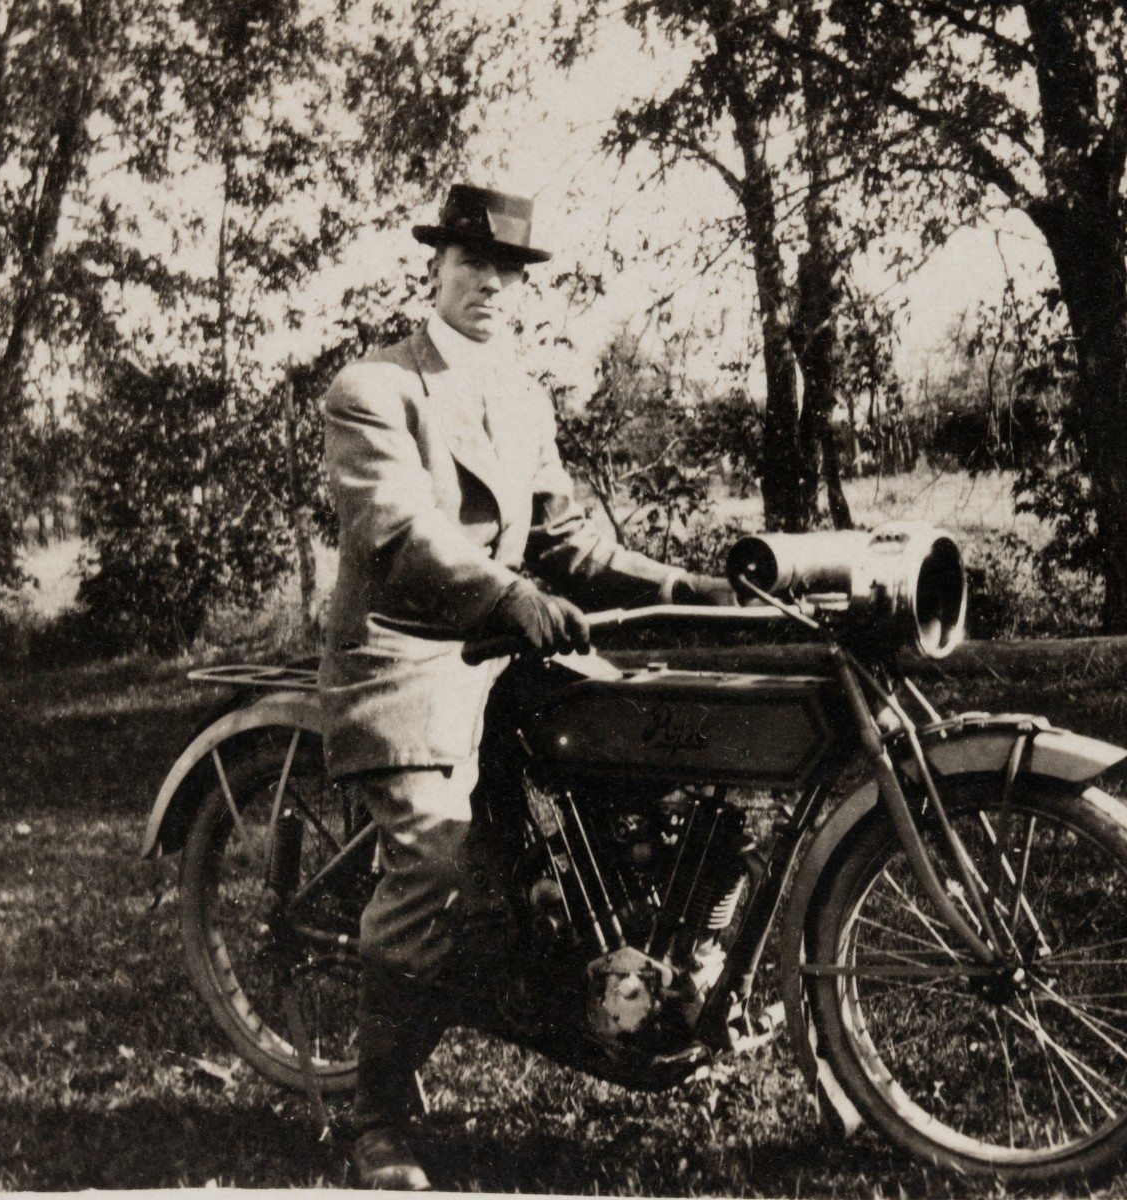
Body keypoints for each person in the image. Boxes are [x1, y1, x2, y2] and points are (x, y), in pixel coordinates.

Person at [319, 183, 730, 1190]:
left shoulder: (518, 391)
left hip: (510, 649)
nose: (492, 288)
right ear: (437, 270)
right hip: (409, 654)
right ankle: (372, 1117)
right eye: (474, 267)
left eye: (509, 274)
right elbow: (401, 536)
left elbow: (569, 540)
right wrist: (508, 592)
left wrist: (689, 586)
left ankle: (635, 987)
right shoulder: (375, 388)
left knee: (662, 761)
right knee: (434, 868)